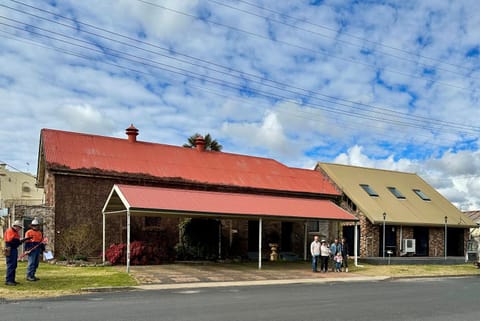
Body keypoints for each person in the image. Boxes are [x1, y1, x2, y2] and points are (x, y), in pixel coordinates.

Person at [4, 220, 30, 286]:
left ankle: (12, 280)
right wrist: (20, 241)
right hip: (10, 249)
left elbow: (16, 241)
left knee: (14, 265)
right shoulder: (10, 231)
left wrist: (21, 241)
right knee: (11, 265)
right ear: (15, 226)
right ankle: (9, 280)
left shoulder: (15, 232)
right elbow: (11, 241)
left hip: (14, 249)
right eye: (19, 227)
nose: (20, 229)